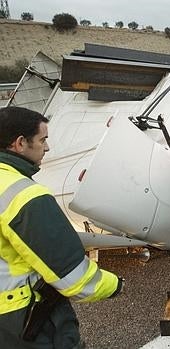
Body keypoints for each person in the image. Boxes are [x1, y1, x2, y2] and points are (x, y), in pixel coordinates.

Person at [0, 106, 123, 348]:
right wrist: (114, 285)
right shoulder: (24, 195)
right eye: (43, 139)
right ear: (20, 143)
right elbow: (73, 277)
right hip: (26, 318)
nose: (47, 147)